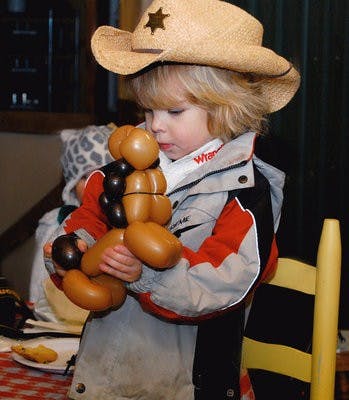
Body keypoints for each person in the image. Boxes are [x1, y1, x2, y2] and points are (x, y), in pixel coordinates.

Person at [43, 0, 300, 398]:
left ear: (227, 108)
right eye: (147, 111)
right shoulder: (121, 173)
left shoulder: (246, 191)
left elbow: (225, 283)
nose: (155, 126)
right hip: (107, 382)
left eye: (174, 111)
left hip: (189, 387)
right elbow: (85, 224)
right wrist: (72, 252)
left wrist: (144, 273)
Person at [29, 124, 114, 324]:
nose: (93, 185)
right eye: (84, 177)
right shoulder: (56, 223)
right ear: (70, 182)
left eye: (100, 176)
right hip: (56, 322)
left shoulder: (121, 226)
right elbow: (39, 280)